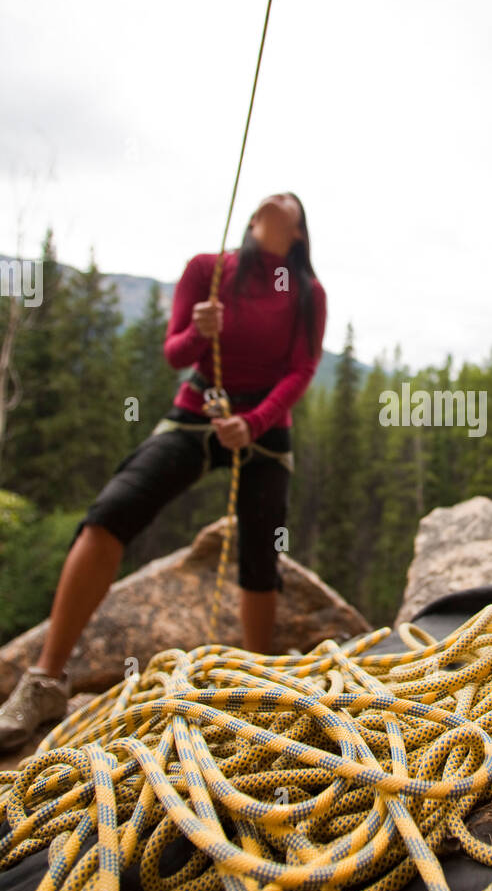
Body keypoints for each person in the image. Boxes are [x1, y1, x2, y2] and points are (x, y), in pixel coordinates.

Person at [0, 191, 327, 752]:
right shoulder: (208, 271)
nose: (278, 200)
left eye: (290, 203)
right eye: (269, 199)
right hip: (199, 408)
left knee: (261, 543)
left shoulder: (305, 293)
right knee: (111, 513)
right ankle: (47, 679)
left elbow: (302, 368)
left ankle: (258, 683)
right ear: (251, 221)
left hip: (263, 425)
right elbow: (176, 353)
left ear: (297, 233)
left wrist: (254, 422)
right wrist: (202, 330)